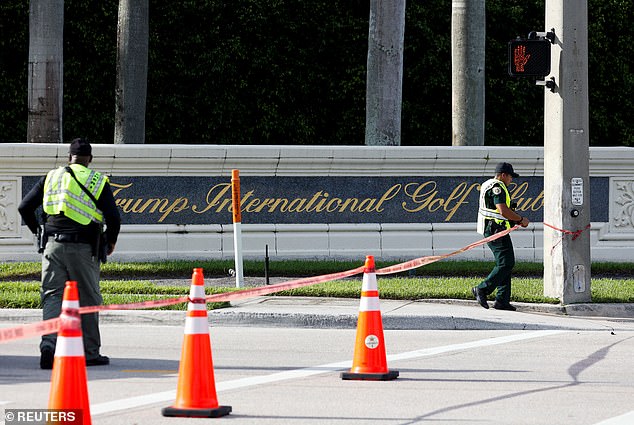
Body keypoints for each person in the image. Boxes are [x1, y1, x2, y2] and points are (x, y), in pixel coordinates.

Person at [18, 138, 121, 369]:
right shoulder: (96, 180)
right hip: (83, 248)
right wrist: (110, 241)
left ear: (69, 157)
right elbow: (114, 217)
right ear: (90, 159)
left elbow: (24, 207)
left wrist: (38, 231)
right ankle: (90, 352)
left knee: (52, 296)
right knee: (88, 298)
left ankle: (49, 345)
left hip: (52, 246)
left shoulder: (51, 176)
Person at [472, 162, 529, 311]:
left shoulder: (488, 184)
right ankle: (482, 289)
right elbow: (502, 210)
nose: (511, 180)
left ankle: (502, 300)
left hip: (496, 229)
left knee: (506, 262)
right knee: (506, 263)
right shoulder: (498, 187)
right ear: (503, 175)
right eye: (510, 177)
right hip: (495, 230)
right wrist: (520, 219)